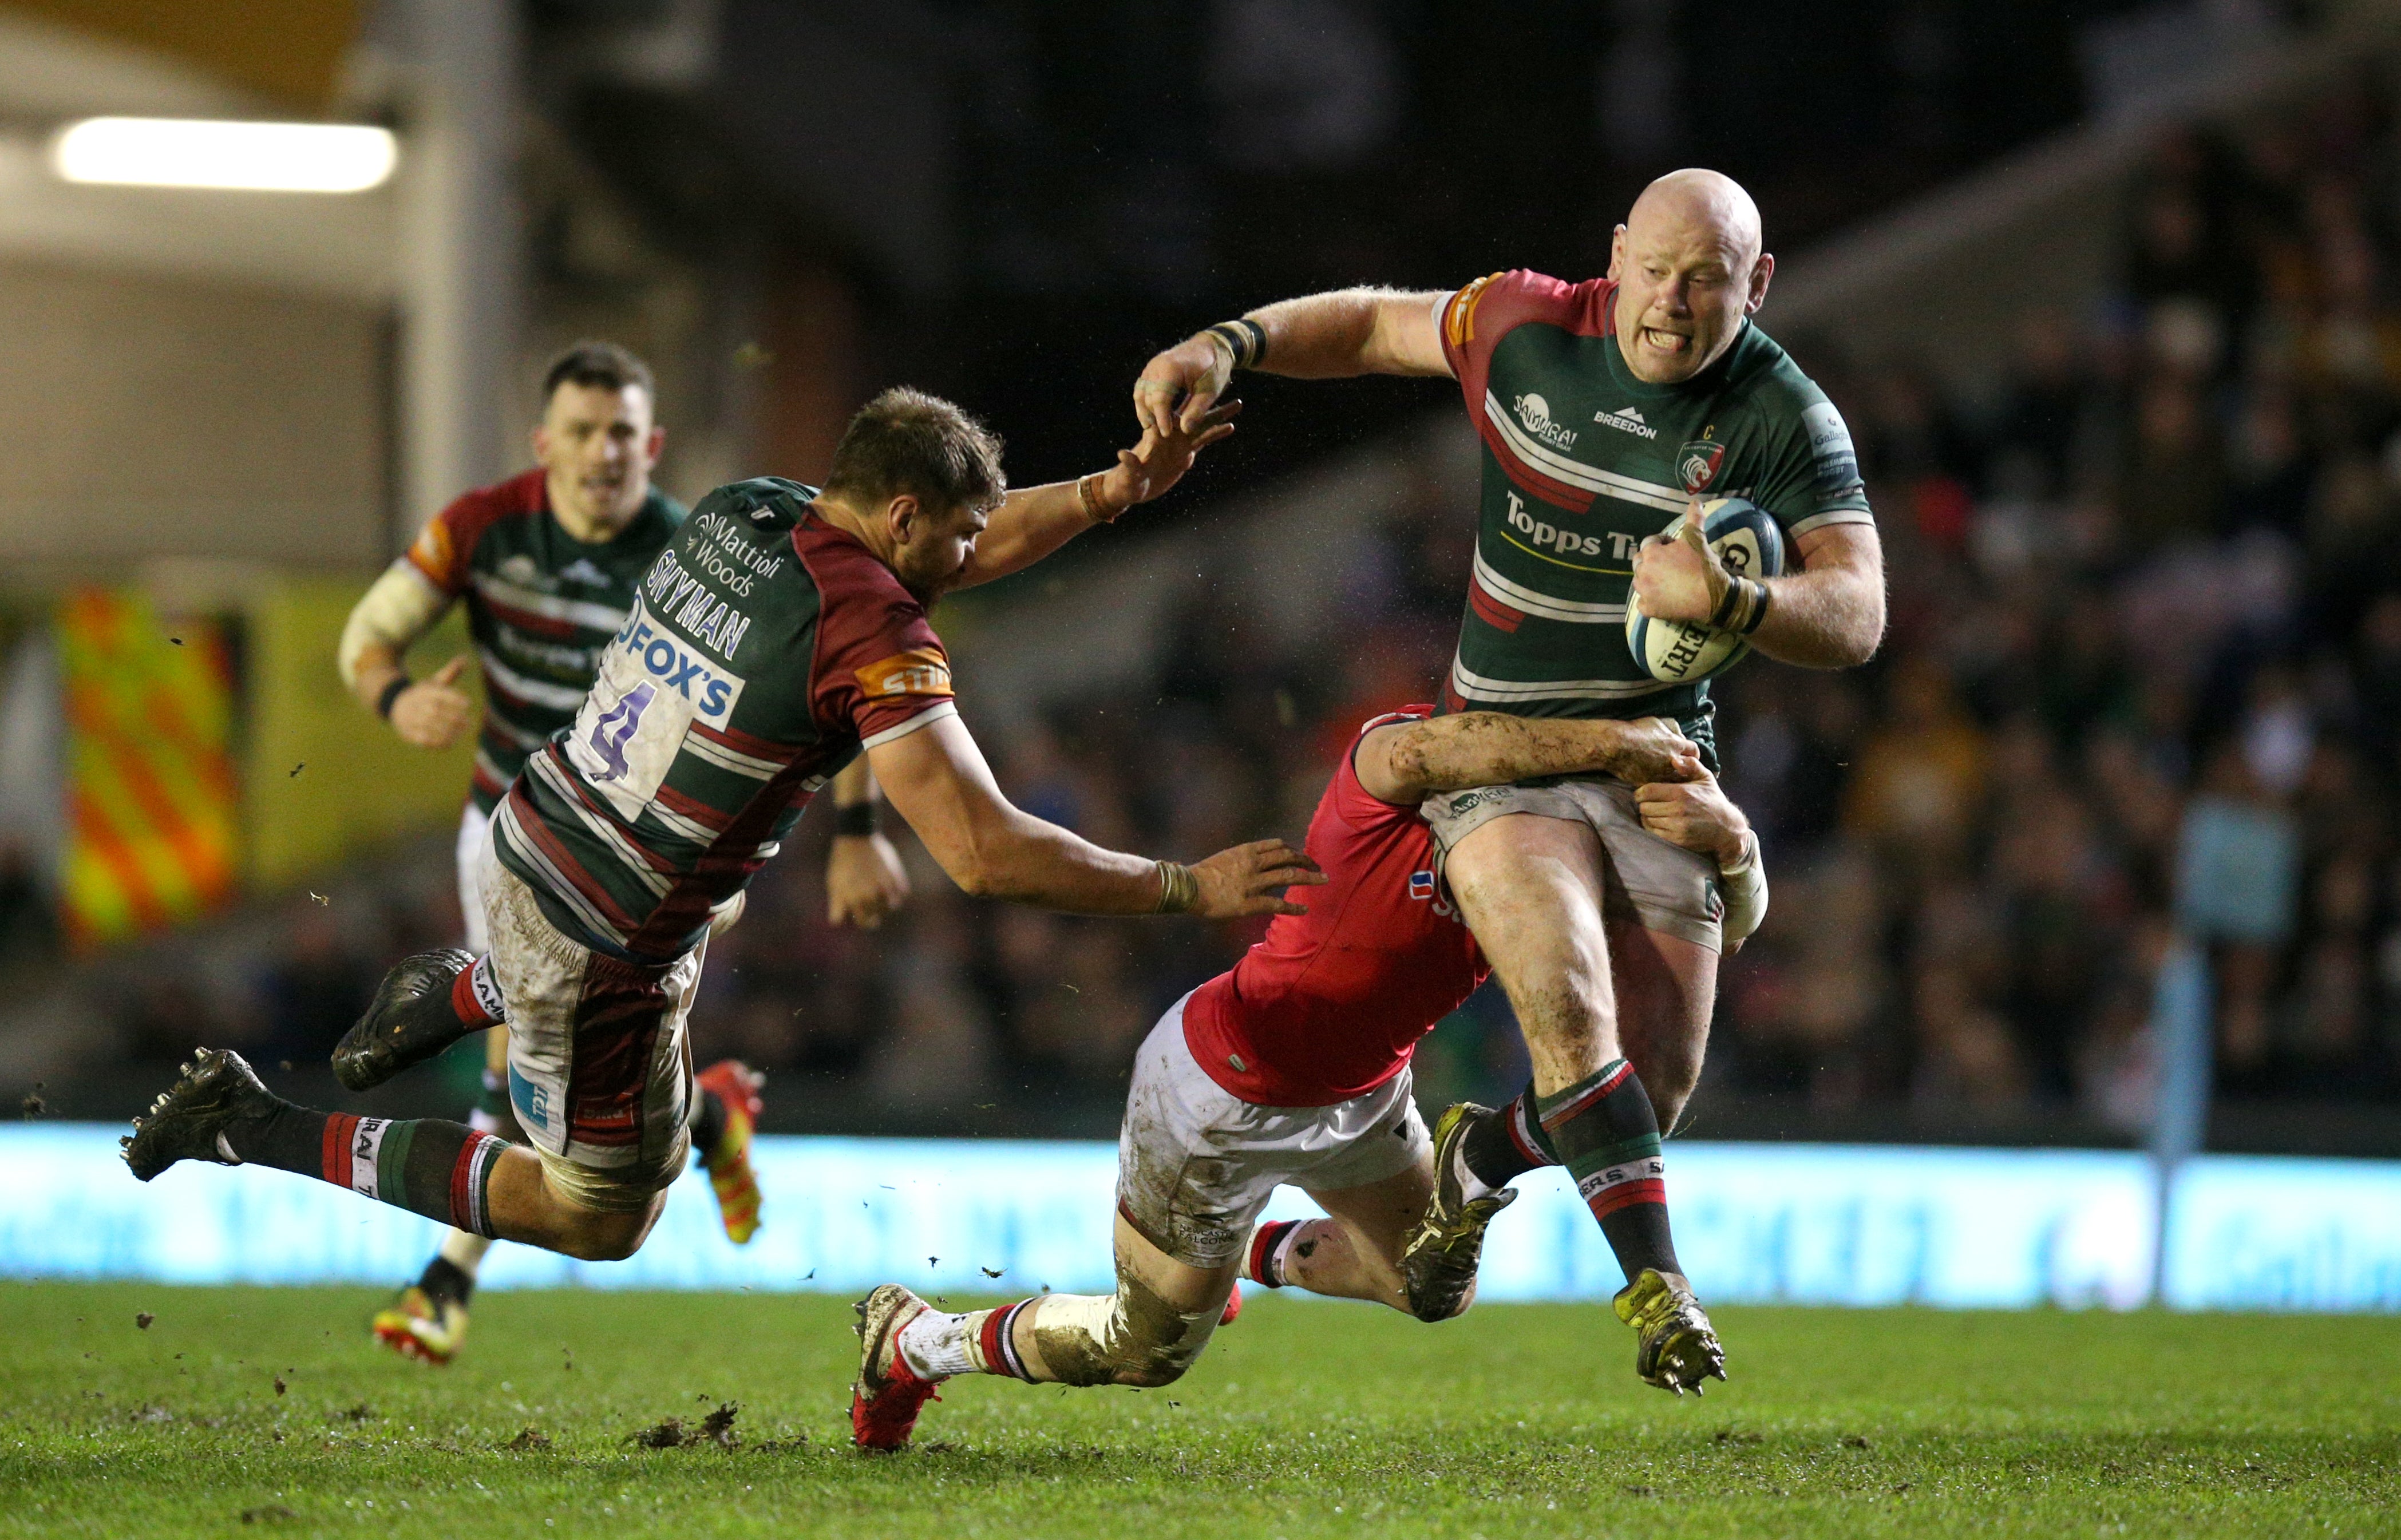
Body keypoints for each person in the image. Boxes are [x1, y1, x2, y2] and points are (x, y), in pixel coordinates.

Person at [124, 387, 1315, 1276]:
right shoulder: (877, 629)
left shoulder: (750, 510)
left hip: (542, 830)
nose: (966, 565)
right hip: (597, 940)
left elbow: (942, 559)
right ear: (903, 516)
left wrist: (1110, 494)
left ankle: (480, 985)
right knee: (602, 1212)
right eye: (955, 538)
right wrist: (1183, 889)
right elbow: (980, 848)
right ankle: (251, 1119)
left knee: (701, 898)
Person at [1129, 169, 1885, 1385]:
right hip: (1501, 753)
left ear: (1759, 284)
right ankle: (1662, 1294)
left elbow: (1856, 611)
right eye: (1656, 270)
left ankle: (1479, 1156)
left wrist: (1740, 596)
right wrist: (1233, 342)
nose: (1674, 304)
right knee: (1570, 1011)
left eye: (1708, 282)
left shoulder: (1783, 417)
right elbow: (1378, 324)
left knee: (1649, 1088)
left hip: (1652, 768)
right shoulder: (1528, 326)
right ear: (1615, 254)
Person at [851, 706, 1767, 1450]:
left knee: (1432, 1289)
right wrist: (1616, 741)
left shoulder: (1559, 841)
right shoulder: (1404, 755)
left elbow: (1706, 939)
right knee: (1144, 1352)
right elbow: (1441, 744)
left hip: (1366, 1100)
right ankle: (916, 1340)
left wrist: (1739, 851)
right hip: (1222, 1089)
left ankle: (1252, 1249)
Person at [334, 342, 897, 1364]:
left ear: (654, 444)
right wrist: (396, 693)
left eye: (623, 433)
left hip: (662, 846)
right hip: (517, 831)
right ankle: (708, 1119)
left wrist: (857, 833)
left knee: (531, 1062)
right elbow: (366, 637)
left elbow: (840, 679)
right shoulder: (482, 528)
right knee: (556, 1058)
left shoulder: (702, 550)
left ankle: (445, 1281)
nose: (604, 452)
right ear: (545, 443)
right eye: (585, 433)